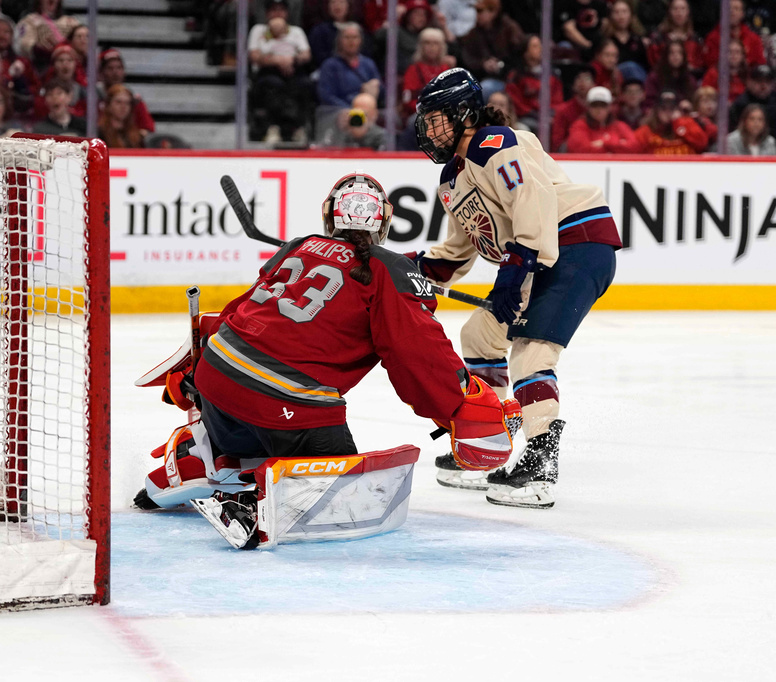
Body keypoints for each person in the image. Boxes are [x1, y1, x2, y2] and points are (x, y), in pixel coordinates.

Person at [134, 172, 521, 549]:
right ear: (383, 222)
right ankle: (251, 506)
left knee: (248, 416)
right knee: (344, 496)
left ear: (328, 215)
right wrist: (458, 405)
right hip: (284, 400)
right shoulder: (388, 270)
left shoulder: (299, 246)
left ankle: (204, 453)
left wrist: (196, 370)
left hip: (216, 377)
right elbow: (418, 354)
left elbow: (242, 312)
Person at [413, 68, 622, 508]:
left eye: (437, 120)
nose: (429, 131)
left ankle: (541, 462)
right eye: (426, 122)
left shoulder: (497, 143)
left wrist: (519, 263)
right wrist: (407, 267)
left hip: (577, 243)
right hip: (536, 256)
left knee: (531, 350)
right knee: (480, 334)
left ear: (464, 114)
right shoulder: (452, 180)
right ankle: (491, 437)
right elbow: (458, 251)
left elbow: (535, 201)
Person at [248, 0, 313, 144]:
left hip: (293, 69)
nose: (277, 13)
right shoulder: (259, 30)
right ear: (267, 14)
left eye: (281, 10)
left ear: (287, 13)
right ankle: (273, 127)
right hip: (267, 71)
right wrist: (276, 60)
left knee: (304, 84)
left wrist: (291, 60)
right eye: (273, 10)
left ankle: (298, 128)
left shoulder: (296, 31)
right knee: (273, 85)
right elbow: (253, 56)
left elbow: (306, 54)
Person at [458, 0, 524, 93]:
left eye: (480, 11)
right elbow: (468, 58)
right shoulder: (474, 33)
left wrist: (501, 64)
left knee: (486, 88)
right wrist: (483, 64)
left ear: (493, 12)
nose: (477, 14)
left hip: (511, 79)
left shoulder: (510, 29)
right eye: (476, 10)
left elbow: (519, 54)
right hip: (484, 77)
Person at [504, 35, 562, 131]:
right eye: (535, 46)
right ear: (525, 52)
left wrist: (551, 114)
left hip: (550, 116)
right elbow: (516, 103)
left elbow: (558, 100)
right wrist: (537, 115)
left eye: (540, 46)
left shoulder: (553, 74)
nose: (541, 49)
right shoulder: (515, 77)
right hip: (527, 118)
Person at [317, 22, 381, 108]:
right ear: (339, 40)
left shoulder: (368, 64)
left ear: (361, 40)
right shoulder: (329, 65)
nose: (351, 41)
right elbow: (326, 96)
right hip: (339, 110)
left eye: (355, 37)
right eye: (347, 37)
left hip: (367, 108)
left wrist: (376, 86)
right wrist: (351, 109)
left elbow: (383, 94)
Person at [96, 48, 154, 137]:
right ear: (101, 72)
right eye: (110, 68)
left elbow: (148, 128)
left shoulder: (134, 100)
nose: (115, 72)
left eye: (119, 68)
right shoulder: (92, 98)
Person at [565, 85, 641, 153]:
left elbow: (634, 146)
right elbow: (578, 149)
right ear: (588, 107)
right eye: (595, 105)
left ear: (609, 107)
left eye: (603, 105)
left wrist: (605, 143)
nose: (599, 109)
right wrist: (618, 145)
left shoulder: (619, 126)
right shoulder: (580, 126)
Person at [633, 90, 708, 155]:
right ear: (656, 111)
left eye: (672, 108)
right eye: (664, 108)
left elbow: (702, 143)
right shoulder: (646, 131)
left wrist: (679, 122)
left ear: (678, 109)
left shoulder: (687, 124)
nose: (668, 112)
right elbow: (632, 152)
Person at [401, 28, 455, 118]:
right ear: (421, 46)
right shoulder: (414, 69)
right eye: (427, 43)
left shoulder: (446, 69)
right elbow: (407, 100)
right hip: (420, 114)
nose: (431, 47)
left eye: (435, 43)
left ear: (442, 47)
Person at [703, 0, 764, 71]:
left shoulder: (754, 39)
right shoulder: (712, 38)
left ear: (742, 14)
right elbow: (710, 65)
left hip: (748, 79)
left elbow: (760, 65)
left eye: (736, 9)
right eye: (728, 9)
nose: (732, 12)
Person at [645, 0, 703, 74]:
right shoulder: (658, 39)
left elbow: (699, 64)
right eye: (675, 9)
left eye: (683, 9)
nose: (679, 13)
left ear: (688, 12)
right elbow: (653, 63)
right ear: (669, 12)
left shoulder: (695, 39)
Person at [550, 64, 594, 152]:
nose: (582, 82)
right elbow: (557, 143)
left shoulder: (601, 110)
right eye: (578, 78)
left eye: (586, 79)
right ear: (573, 84)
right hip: (571, 154)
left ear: (594, 84)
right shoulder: (563, 110)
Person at [602, 0, 648, 83]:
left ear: (631, 15)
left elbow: (645, 65)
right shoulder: (606, 40)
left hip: (638, 79)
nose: (621, 16)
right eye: (616, 12)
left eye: (624, 12)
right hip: (614, 78)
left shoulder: (638, 39)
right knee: (629, 67)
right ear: (611, 16)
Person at [320, 91, 385, 149]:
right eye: (357, 113)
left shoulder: (381, 136)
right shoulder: (343, 133)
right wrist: (339, 127)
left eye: (364, 114)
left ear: (374, 114)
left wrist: (362, 136)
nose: (359, 118)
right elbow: (328, 149)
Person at [644, 38, 697, 108]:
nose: (676, 56)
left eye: (679, 53)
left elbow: (695, 102)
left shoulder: (690, 79)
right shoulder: (655, 77)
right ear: (666, 56)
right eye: (672, 53)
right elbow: (649, 102)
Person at [730, 64, 776, 131]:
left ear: (772, 84)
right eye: (759, 81)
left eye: (767, 82)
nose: (763, 86)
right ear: (749, 82)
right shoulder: (740, 104)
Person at [98, 83, 143, 148]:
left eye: (127, 103)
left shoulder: (136, 135)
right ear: (108, 105)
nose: (123, 107)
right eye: (118, 102)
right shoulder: (99, 134)